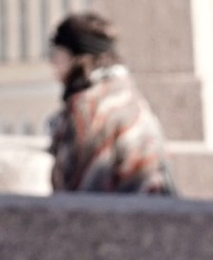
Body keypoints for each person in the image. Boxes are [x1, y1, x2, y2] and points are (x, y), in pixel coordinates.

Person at [46, 11, 172, 196]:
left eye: (55, 53)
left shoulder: (89, 107)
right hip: (153, 208)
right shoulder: (126, 93)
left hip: (123, 210)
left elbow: (80, 193)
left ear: (76, 56)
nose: (52, 62)